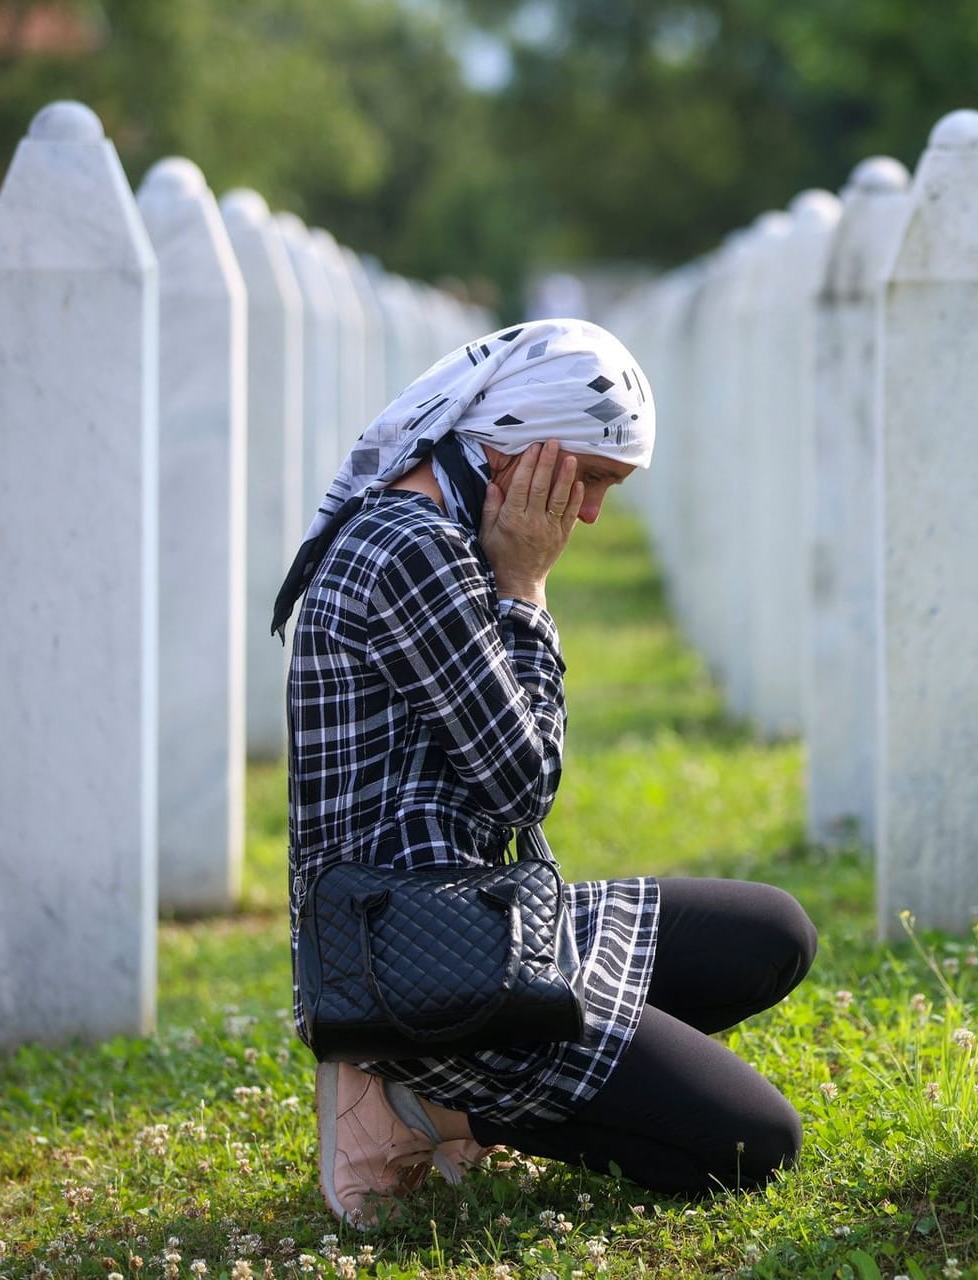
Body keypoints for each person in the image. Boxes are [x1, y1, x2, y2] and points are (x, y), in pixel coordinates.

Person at [273, 319, 818, 1228]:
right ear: (528, 451)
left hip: (468, 911)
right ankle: (424, 1100)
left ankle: (461, 1085)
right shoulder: (418, 551)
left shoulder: (437, 524)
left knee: (774, 933)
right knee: (755, 1145)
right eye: (595, 479)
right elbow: (522, 786)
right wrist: (525, 590)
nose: (595, 512)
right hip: (421, 970)